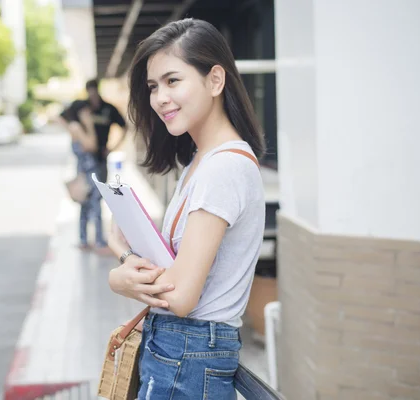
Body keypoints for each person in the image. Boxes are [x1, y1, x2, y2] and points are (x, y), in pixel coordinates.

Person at [107, 18, 266, 399]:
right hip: (183, 354)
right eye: (152, 86)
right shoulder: (202, 162)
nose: (160, 97)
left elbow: (180, 297)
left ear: (215, 80)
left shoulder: (223, 168)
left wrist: (121, 263)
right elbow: (179, 271)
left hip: (188, 356)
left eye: (172, 80)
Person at [59, 100, 112, 255]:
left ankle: (84, 239)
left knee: (86, 206)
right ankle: (98, 241)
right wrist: (89, 125)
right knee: (95, 205)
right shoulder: (77, 127)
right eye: (87, 112)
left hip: (86, 171)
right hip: (89, 172)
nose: (89, 115)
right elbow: (92, 145)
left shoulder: (74, 126)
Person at [84, 79, 128, 183]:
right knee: (85, 189)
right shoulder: (82, 107)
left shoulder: (108, 109)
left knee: (101, 186)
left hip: (102, 153)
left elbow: (125, 127)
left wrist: (113, 148)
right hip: (85, 154)